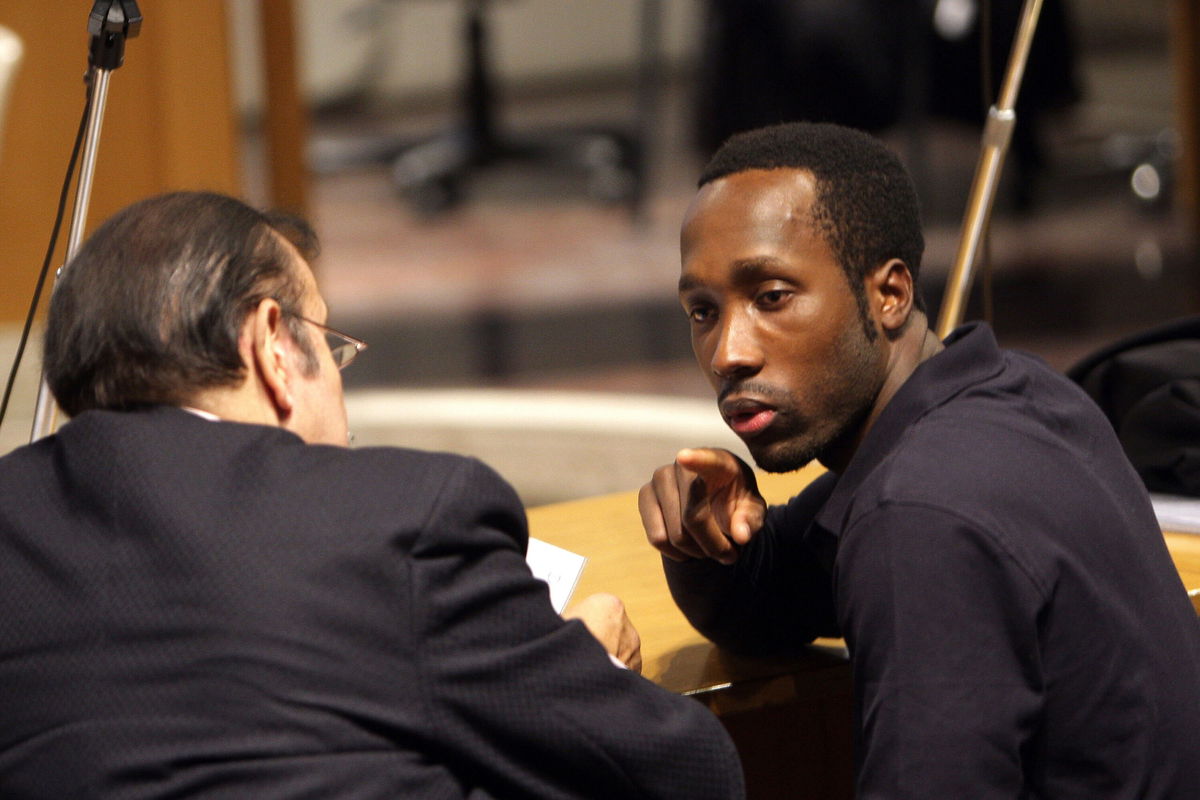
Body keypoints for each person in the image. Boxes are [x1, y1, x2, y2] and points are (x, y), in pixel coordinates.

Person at [0, 191, 745, 799]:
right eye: (331, 347)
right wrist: (592, 667)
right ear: (271, 347)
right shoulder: (399, 519)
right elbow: (689, 774)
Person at [638, 121, 1200, 798]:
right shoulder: (1014, 391)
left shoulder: (918, 512)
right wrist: (711, 542)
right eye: (703, 311)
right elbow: (780, 595)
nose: (730, 352)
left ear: (890, 294)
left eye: (771, 298)